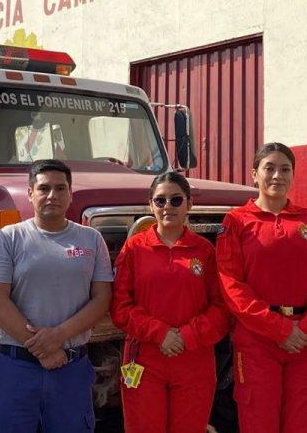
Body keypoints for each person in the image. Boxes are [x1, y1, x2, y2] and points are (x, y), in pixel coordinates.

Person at [0, 158, 113, 431]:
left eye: (60, 188)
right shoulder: (9, 238)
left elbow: (102, 299)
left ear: (70, 193)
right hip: (17, 368)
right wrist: (42, 349)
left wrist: (59, 336)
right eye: (43, 188)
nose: (52, 195)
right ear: (30, 193)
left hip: (71, 367)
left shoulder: (91, 240)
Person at [216, 142, 307, 433]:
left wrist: (305, 329)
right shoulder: (236, 223)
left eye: (285, 169)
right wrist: (280, 329)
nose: (277, 175)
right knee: (259, 421)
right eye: (269, 168)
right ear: (254, 174)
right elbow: (231, 285)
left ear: (293, 175)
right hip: (258, 341)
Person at [110, 171, 231, 433]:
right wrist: (161, 334)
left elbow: (221, 309)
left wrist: (187, 336)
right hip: (144, 360)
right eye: (160, 200)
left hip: (194, 359)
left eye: (176, 200)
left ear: (189, 204)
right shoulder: (134, 249)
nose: (168, 207)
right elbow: (120, 307)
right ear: (150, 204)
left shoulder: (204, 251)